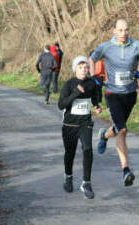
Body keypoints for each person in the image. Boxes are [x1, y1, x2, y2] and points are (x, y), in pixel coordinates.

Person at [89, 19, 139, 186]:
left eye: (126, 30)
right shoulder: (106, 47)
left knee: (118, 128)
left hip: (130, 95)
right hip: (112, 94)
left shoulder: (137, 46)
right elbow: (91, 59)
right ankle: (126, 170)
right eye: (120, 30)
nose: (124, 33)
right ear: (114, 31)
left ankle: (104, 135)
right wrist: (93, 76)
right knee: (123, 130)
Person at [58, 56, 102, 199]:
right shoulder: (69, 84)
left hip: (85, 123)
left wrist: (96, 106)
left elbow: (94, 98)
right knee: (69, 153)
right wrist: (75, 93)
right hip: (70, 124)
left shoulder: (91, 83)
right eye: (80, 67)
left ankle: (86, 183)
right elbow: (61, 105)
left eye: (86, 67)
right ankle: (68, 177)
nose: (84, 70)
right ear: (75, 69)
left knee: (88, 149)